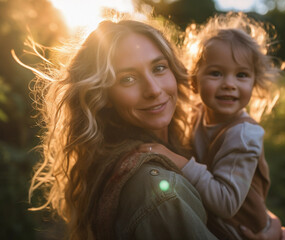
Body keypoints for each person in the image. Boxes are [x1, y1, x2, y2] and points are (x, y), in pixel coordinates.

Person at [19, 15, 219, 240]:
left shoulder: (186, 144)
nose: (153, 89)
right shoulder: (158, 188)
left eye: (159, 67)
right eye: (128, 79)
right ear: (103, 96)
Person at [140, 12, 285, 240]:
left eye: (241, 75)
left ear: (254, 82)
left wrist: (178, 161)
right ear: (195, 81)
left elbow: (227, 203)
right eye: (216, 73)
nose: (229, 84)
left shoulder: (243, 134)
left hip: (242, 232)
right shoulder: (196, 114)